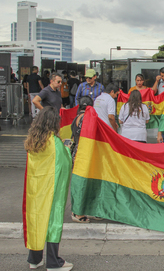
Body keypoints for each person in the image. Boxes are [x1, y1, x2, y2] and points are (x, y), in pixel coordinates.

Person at [23, 106, 73, 271]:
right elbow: (64, 164)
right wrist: (67, 148)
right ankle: (53, 261)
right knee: (53, 220)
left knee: (36, 219)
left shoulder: (33, 140)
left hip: (35, 188)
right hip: (52, 188)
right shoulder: (55, 142)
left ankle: (34, 259)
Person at [71, 96, 94, 223]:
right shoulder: (87, 118)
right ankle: (77, 212)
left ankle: (85, 209)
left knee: (82, 183)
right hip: (84, 156)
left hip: (78, 153)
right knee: (81, 184)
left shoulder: (76, 117)